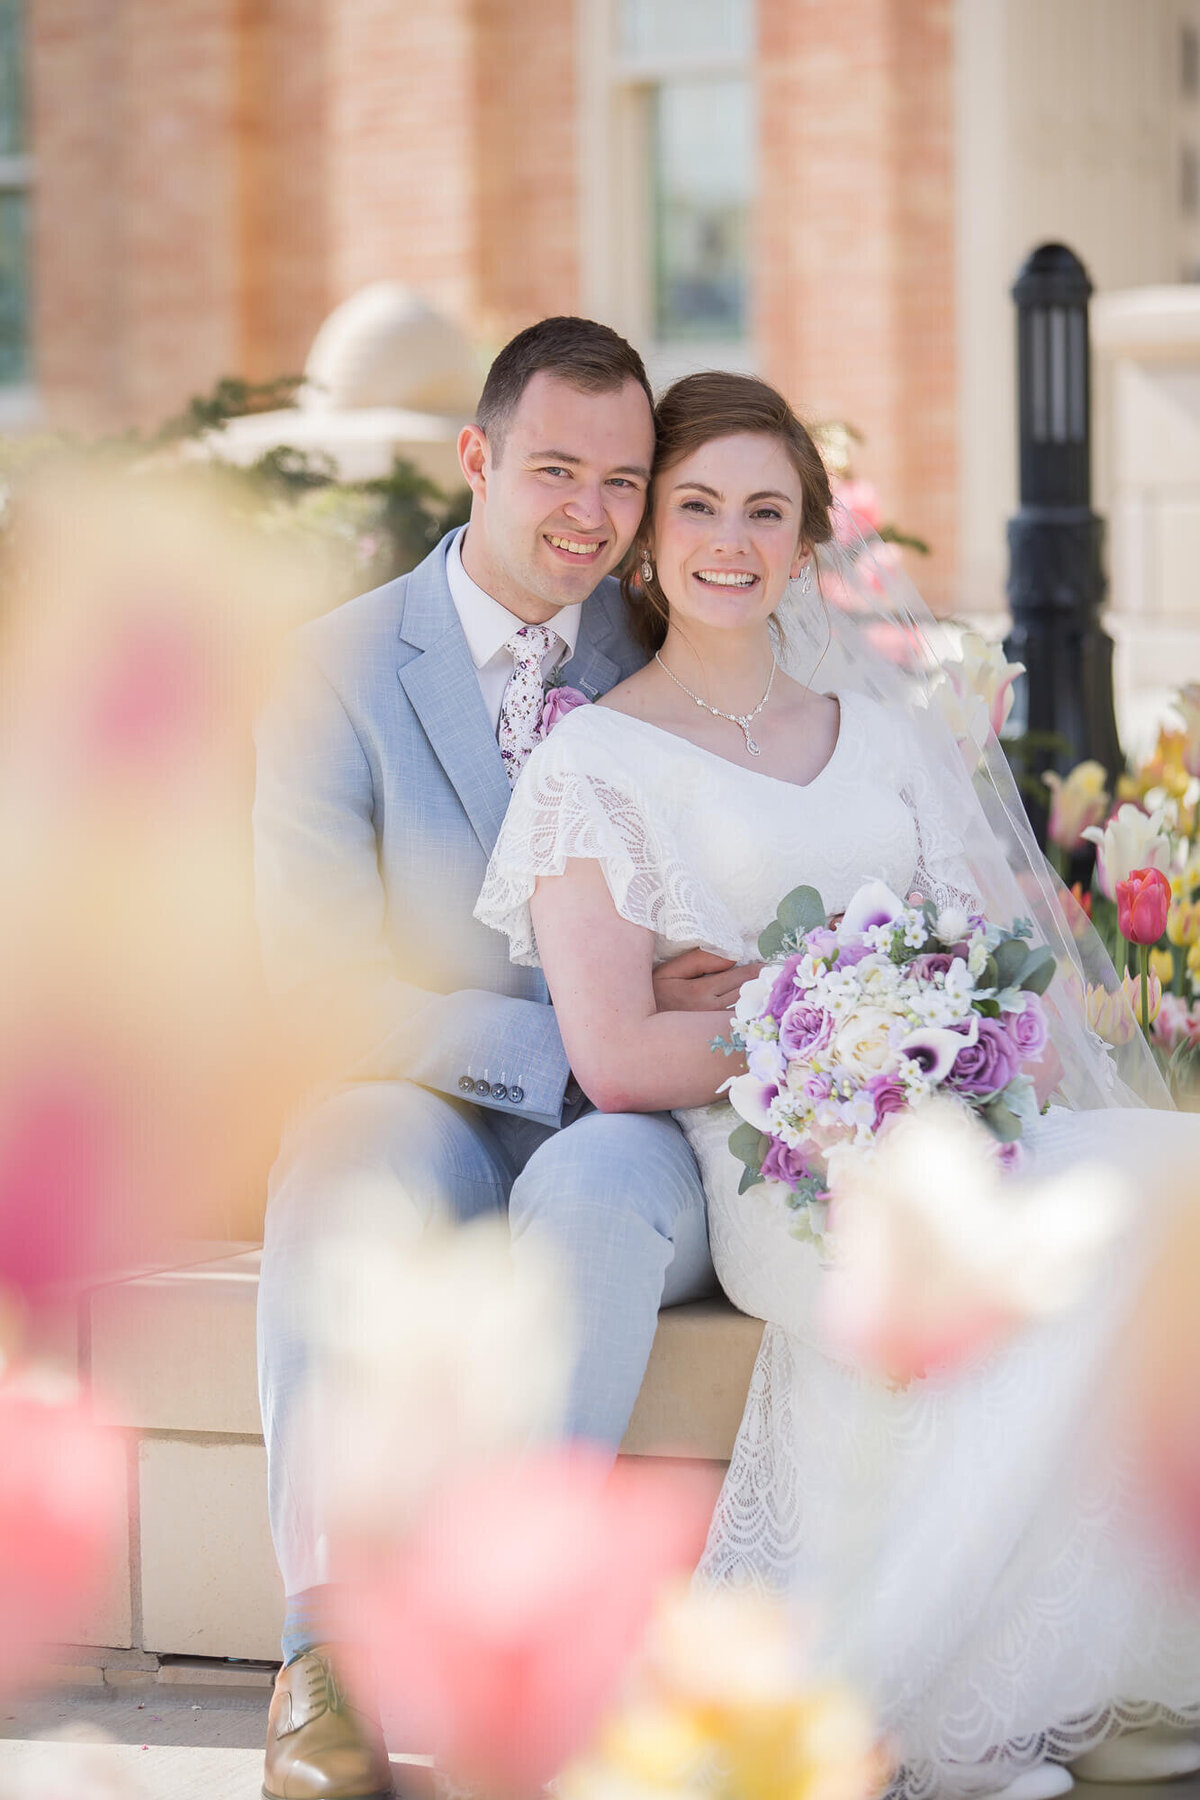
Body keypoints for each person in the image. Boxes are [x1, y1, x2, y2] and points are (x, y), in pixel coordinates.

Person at [475, 370, 1200, 1800]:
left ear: (811, 540)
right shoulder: (591, 761)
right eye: (695, 506)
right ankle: (888, 1714)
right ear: (646, 538)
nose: (730, 540)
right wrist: (808, 1031)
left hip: (956, 1122)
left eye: (766, 509)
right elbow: (618, 1053)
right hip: (774, 1169)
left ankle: (1085, 1673)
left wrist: (922, 1037)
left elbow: (990, 967)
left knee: (1174, 1179)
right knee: (945, 1259)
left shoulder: (881, 738)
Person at [252, 320, 746, 1800]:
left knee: (594, 1198)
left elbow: (716, 932)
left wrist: (652, 1039)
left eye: (620, 479)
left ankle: (518, 1657)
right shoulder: (331, 672)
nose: (590, 516)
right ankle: (321, 1656)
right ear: (475, 458)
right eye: (552, 471)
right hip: (429, 1103)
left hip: (632, 1127)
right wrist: (585, 1034)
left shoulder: (672, 656)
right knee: (341, 1160)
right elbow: (324, 987)